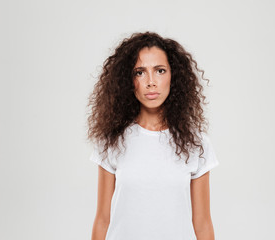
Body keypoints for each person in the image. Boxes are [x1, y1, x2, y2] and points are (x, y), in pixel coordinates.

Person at [87, 31, 220, 240]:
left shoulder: (196, 144)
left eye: (159, 70)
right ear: (128, 80)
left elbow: (202, 223)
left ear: (173, 76)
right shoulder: (112, 141)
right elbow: (103, 219)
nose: (151, 82)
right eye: (140, 72)